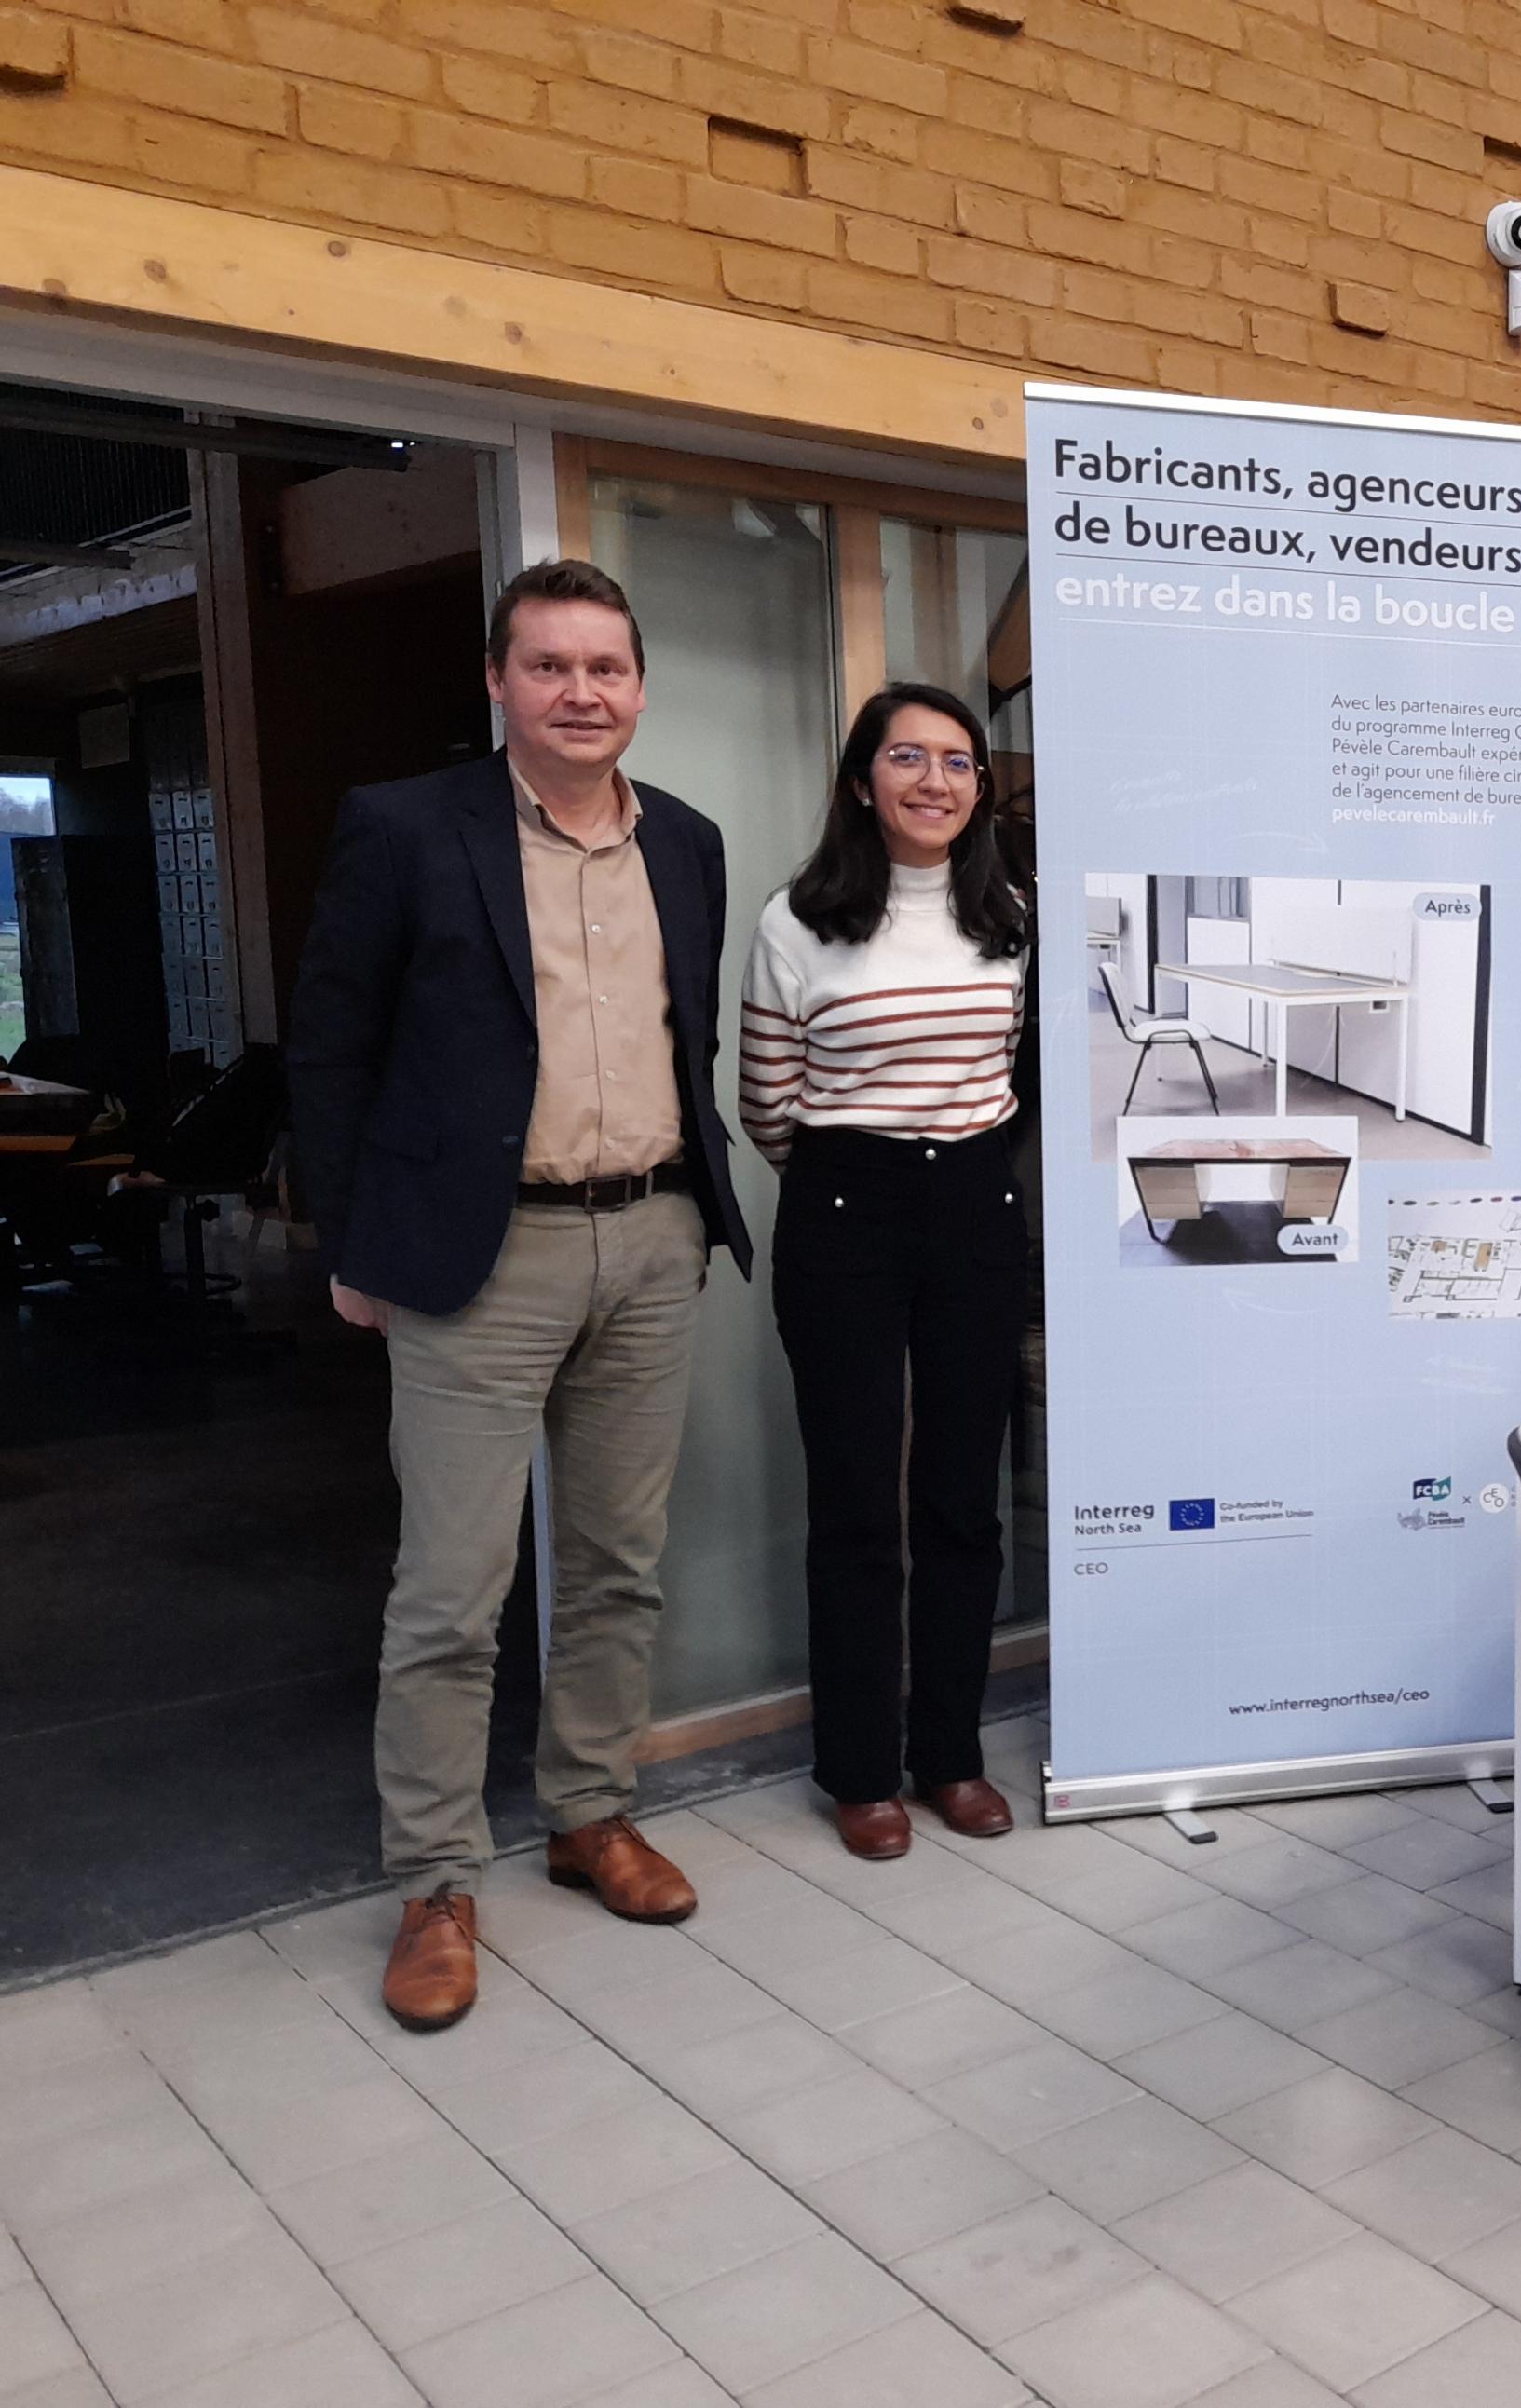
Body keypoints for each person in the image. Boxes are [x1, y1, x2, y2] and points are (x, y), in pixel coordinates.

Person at [290, 559, 753, 2033]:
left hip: (652, 1236)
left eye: (605, 668)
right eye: (547, 666)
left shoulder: (684, 840)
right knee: (452, 1589)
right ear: (498, 682)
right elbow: (331, 1046)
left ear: (636, 687)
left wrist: (686, 1218)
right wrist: (352, 1243)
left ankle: (586, 1814)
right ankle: (434, 1880)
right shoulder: (407, 828)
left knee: (619, 1560)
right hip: (475, 1258)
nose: (579, 692)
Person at [741, 684, 1033, 1862]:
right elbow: (769, 1102)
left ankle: (949, 1755)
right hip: (846, 1209)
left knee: (965, 1498)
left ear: (980, 786)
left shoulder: (1007, 911)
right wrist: (856, 1170)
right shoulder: (798, 922)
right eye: (907, 757)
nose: (934, 781)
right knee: (857, 1503)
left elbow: (1012, 1072)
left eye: (958, 762)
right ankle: (861, 1769)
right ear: (863, 779)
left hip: (975, 1203)